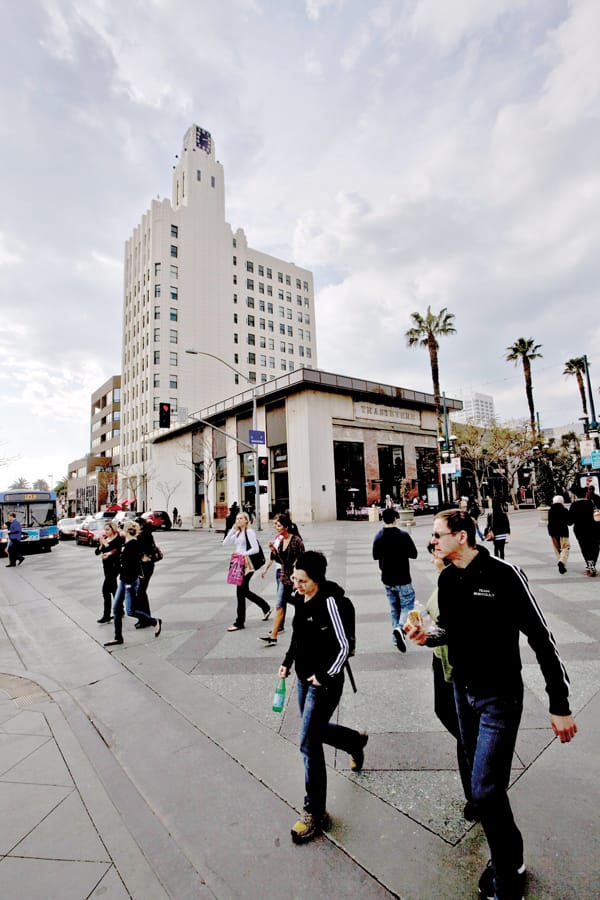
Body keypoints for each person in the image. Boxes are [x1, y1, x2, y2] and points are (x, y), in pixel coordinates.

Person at [406, 509, 577, 900]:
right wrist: (426, 637)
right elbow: (449, 629)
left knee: (484, 791)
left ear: (462, 536)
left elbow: (542, 639)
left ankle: (507, 881)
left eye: (437, 535)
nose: (432, 542)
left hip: (500, 697)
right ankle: (510, 857)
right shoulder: (448, 579)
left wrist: (560, 704)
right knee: (485, 785)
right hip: (462, 692)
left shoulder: (504, 575)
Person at [279, 550, 368, 844]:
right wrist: (287, 661)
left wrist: (325, 675)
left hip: (324, 683)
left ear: (316, 579)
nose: (297, 585)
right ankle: (354, 740)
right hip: (305, 678)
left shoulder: (331, 603)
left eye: (303, 580)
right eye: (295, 579)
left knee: (308, 743)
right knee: (314, 732)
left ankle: (314, 811)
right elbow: (297, 635)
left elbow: (345, 646)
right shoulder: (300, 599)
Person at [423, 543, 475, 821]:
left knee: (464, 730)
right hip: (439, 660)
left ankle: (475, 792)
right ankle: (477, 753)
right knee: (445, 713)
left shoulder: (460, 584)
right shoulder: (443, 582)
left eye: (435, 551)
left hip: (457, 665)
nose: (432, 556)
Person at [104, 521, 162, 647]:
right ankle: (118, 637)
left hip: (129, 582)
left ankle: (154, 622)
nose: (120, 530)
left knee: (130, 611)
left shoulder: (133, 545)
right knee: (116, 608)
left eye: (122, 528)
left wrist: (129, 583)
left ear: (127, 530)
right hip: (124, 581)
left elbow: (133, 566)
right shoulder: (127, 543)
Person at [372, 507, 418, 652]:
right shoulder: (403, 535)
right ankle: (399, 629)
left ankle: (395, 637)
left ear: (382, 519)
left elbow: (375, 555)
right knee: (407, 605)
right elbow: (414, 554)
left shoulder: (378, 536)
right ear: (395, 519)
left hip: (387, 578)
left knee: (394, 608)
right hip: (403, 577)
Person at [259, 513, 304, 646]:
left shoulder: (296, 540)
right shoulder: (281, 541)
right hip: (284, 576)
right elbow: (280, 560)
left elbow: (302, 560)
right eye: (275, 525)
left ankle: (276, 634)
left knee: (287, 602)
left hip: (294, 577)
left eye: (278, 525)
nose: (276, 527)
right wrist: (273, 550)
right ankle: (274, 635)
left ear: (285, 526)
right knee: (280, 604)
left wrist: (297, 578)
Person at [223, 511, 270, 631]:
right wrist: (232, 530)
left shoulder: (249, 532)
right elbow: (225, 543)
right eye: (237, 518)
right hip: (239, 564)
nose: (238, 520)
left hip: (248, 564)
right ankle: (265, 607)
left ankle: (239, 622)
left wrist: (241, 554)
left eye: (241, 518)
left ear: (246, 520)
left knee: (240, 592)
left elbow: (255, 549)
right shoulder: (238, 533)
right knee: (244, 591)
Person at [94, 521, 123, 623]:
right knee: (113, 588)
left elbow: (116, 551)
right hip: (106, 567)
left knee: (105, 590)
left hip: (114, 567)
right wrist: (101, 545)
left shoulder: (118, 539)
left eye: (107, 529)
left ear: (113, 529)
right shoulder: (105, 539)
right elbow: (97, 552)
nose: (105, 531)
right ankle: (120, 609)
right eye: (105, 529)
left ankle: (106, 615)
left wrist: (106, 545)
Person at [135, 517, 159, 628]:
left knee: (140, 592)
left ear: (141, 526)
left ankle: (145, 619)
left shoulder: (144, 536)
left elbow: (141, 551)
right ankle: (145, 618)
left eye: (135, 526)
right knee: (141, 592)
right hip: (144, 566)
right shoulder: (144, 535)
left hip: (145, 567)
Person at [569, 487, 598, 577]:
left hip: (580, 530)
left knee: (584, 547)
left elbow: (570, 521)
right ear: (585, 494)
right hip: (593, 528)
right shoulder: (591, 503)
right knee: (595, 547)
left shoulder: (574, 505)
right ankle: (592, 563)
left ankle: (589, 563)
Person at [547, 495, 570, 575]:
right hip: (563, 532)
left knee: (557, 549)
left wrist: (550, 533)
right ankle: (561, 562)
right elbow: (569, 522)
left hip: (553, 533)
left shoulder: (550, 511)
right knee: (565, 547)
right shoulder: (564, 510)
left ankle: (561, 563)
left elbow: (549, 523)